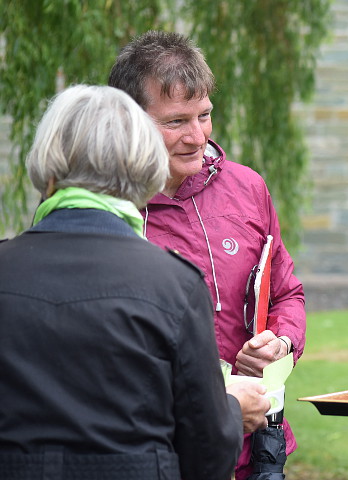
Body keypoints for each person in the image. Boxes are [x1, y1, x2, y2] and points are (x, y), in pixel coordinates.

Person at [0, 85, 270, 480]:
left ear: (48, 165)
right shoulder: (174, 284)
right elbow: (206, 453)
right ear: (145, 165)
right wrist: (231, 408)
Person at [108, 30, 306, 479]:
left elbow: (287, 293)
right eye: (176, 122)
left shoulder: (247, 187)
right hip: (158, 451)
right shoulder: (109, 208)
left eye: (205, 115)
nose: (197, 137)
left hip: (255, 448)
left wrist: (281, 343)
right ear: (127, 120)